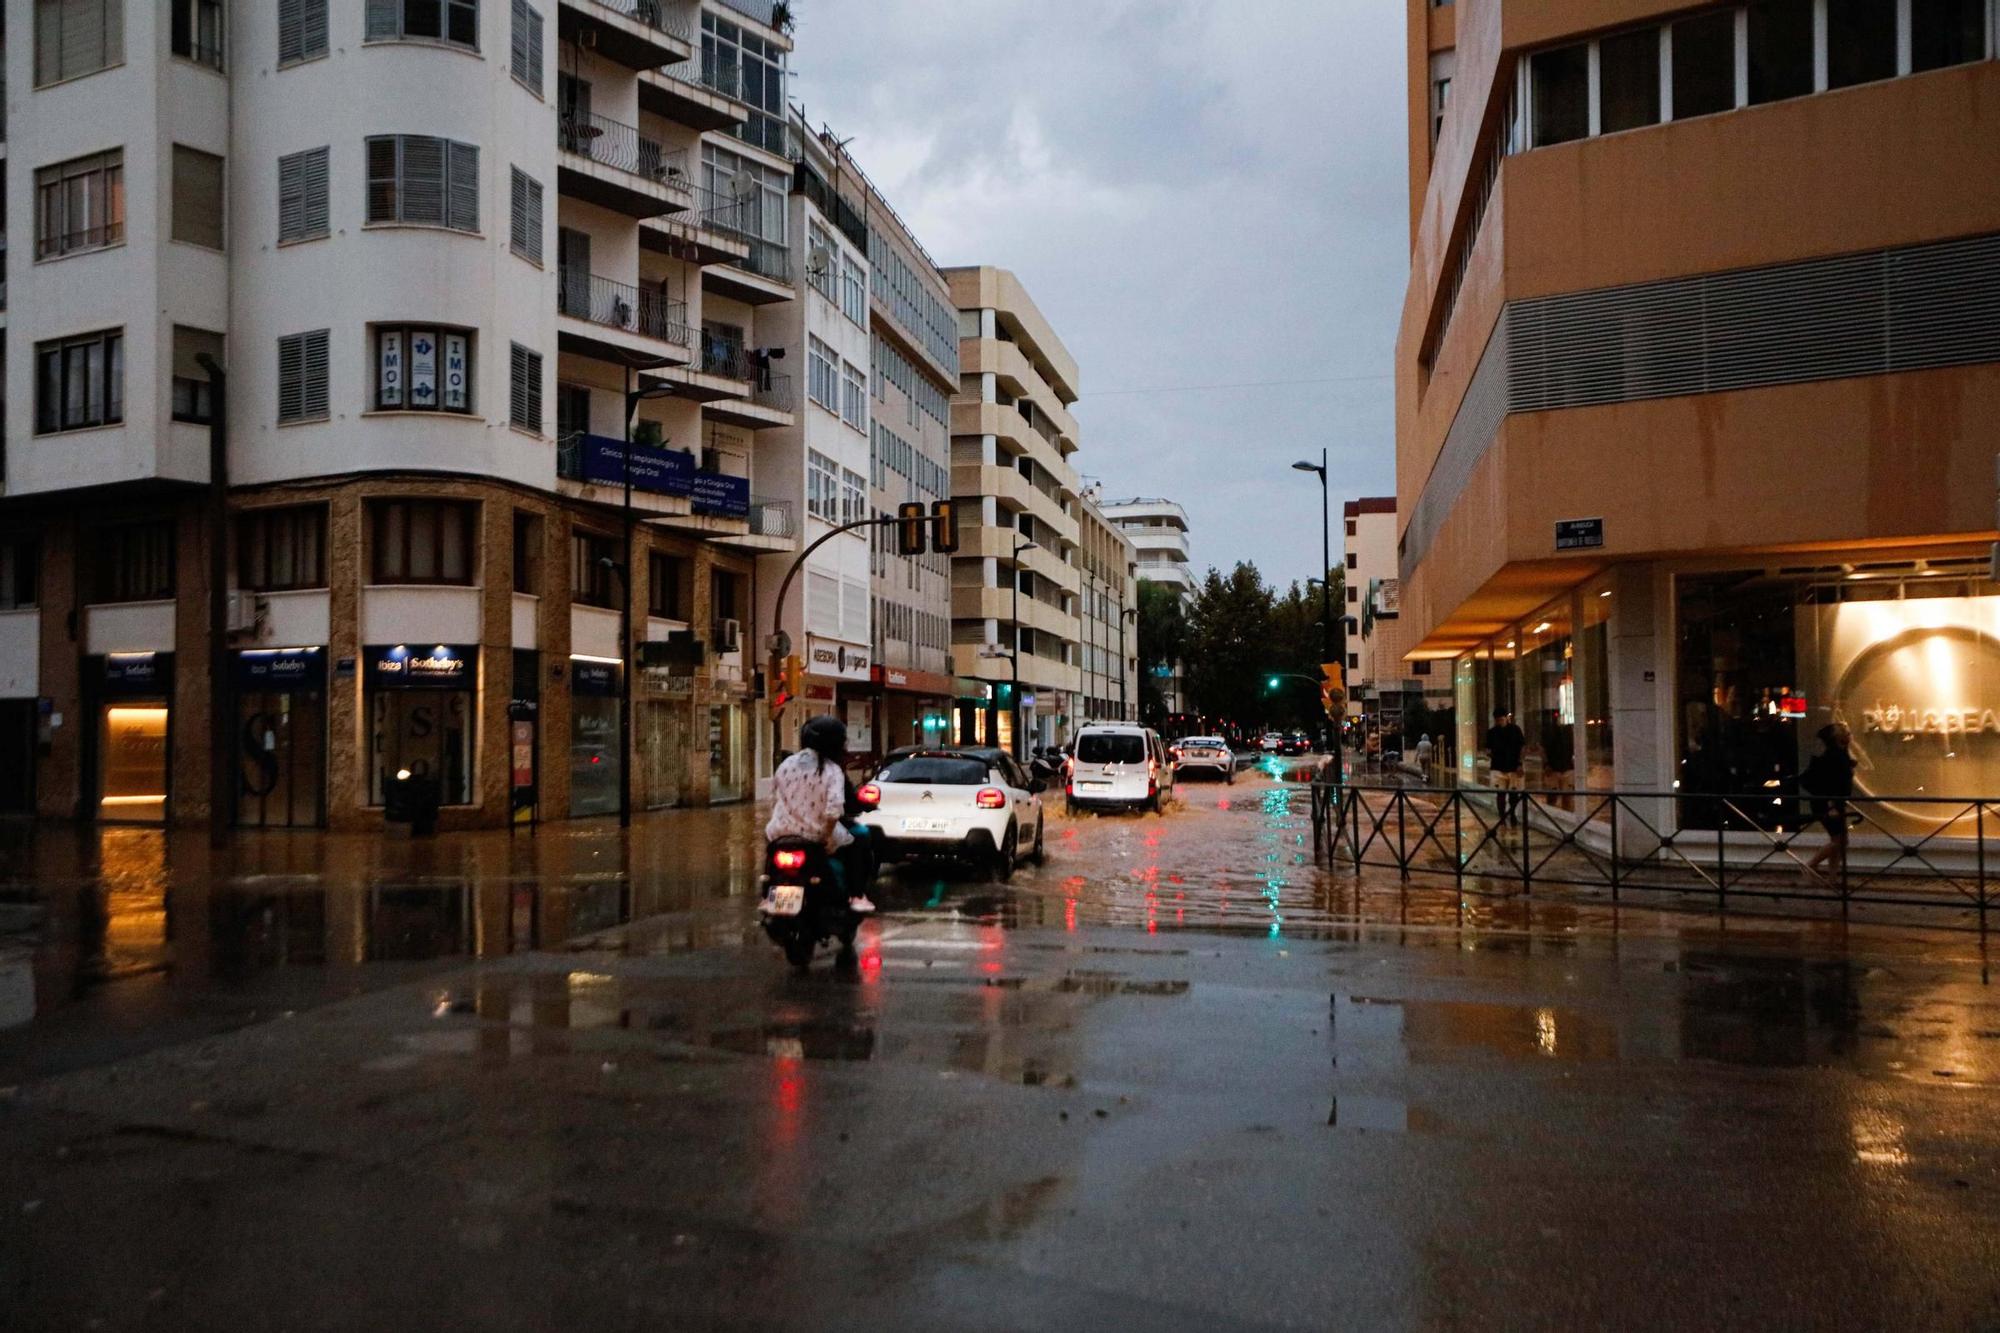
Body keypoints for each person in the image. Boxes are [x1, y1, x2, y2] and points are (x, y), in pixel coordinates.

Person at [766, 714, 875, 913]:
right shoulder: (832, 770)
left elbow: (774, 797)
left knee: (771, 851)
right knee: (860, 838)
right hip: (816, 835)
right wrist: (825, 837)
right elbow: (834, 811)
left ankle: (767, 896)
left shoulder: (786, 764)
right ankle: (857, 895)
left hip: (780, 833)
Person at [1800, 722, 1856, 885]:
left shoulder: (1838, 753)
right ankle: (1810, 865)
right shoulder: (1834, 755)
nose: (1849, 733)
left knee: (1840, 840)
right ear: (1837, 737)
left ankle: (1832, 877)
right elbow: (1831, 782)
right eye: (1845, 731)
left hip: (1832, 803)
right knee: (1839, 840)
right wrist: (1832, 805)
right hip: (1828, 804)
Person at [1485, 707, 1526, 825]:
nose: (1499, 722)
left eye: (1501, 720)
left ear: (1506, 718)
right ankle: (1503, 816)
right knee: (1501, 793)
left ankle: (1511, 815)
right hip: (1499, 766)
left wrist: (1519, 763)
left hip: (1512, 766)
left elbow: (1522, 747)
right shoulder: (1492, 732)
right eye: (1497, 720)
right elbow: (1488, 749)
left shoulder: (1515, 730)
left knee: (1513, 794)